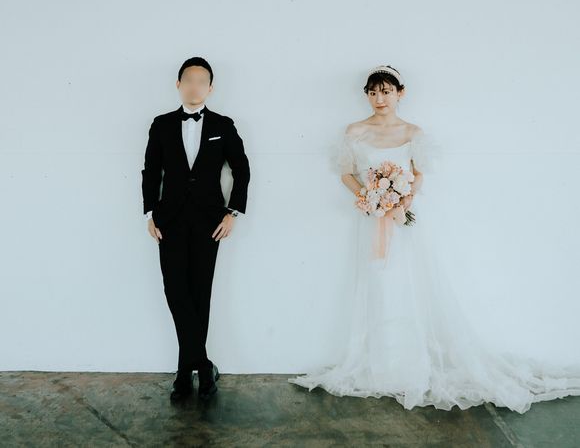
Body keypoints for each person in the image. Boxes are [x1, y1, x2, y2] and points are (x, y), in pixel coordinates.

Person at [288, 64, 580, 413]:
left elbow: (417, 175)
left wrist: (402, 201)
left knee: (408, 284)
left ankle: (410, 364)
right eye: (373, 92)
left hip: (406, 222)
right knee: (376, 283)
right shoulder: (355, 131)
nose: (380, 99)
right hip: (372, 221)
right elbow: (346, 173)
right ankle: (380, 366)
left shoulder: (413, 132)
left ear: (400, 93)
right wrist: (371, 198)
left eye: (386, 91)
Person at [141, 56, 250, 402]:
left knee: (200, 293)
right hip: (169, 221)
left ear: (210, 88)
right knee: (175, 290)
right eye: (189, 80)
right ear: (179, 84)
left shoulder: (223, 124)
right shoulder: (161, 124)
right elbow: (150, 171)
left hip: (209, 222)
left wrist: (233, 213)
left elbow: (242, 170)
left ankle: (184, 373)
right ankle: (202, 366)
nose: (194, 86)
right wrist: (149, 214)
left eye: (202, 81)